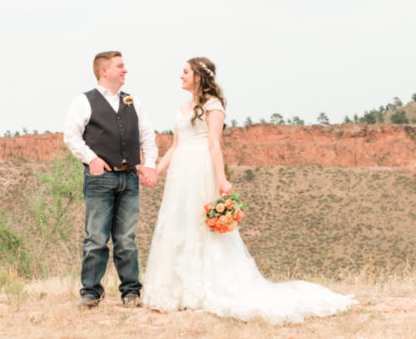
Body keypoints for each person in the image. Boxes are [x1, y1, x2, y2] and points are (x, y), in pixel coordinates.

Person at [142, 57, 355, 323]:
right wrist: (155, 171)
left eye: (185, 72)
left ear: (198, 76)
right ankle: (179, 290)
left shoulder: (213, 106)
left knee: (202, 226)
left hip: (200, 171)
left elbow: (215, 146)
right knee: (179, 223)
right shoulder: (182, 107)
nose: (180, 76)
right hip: (179, 174)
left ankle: (203, 288)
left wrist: (221, 180)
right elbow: (174, 146)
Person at [63, 51, 158, 309]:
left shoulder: (133, 102)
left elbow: (147, 136)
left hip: (130, 178)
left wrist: (149, 165)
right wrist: (91, 158)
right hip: (100, 179)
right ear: (104, 71)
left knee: (126, 239)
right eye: (120, 66)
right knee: (96, 238)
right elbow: (71, 136)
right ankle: (91, 292)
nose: (125, 70)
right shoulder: (84, 101)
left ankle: (131, 292)